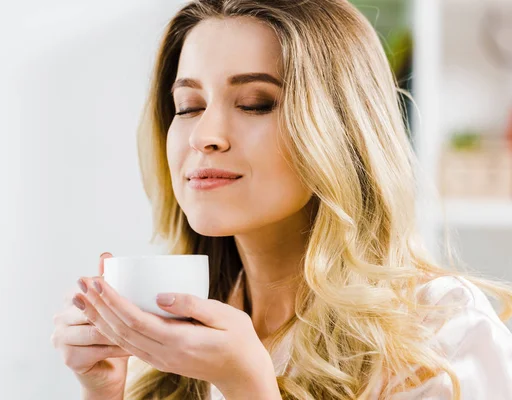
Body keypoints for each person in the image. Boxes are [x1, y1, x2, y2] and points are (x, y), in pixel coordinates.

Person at [51, 1, 512, 399]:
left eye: (255, 103)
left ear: (341, 130)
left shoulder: (442, 333)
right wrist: (105, 392)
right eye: (188, 106)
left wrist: (248, 387)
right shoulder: (175, 338)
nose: (206, 136)